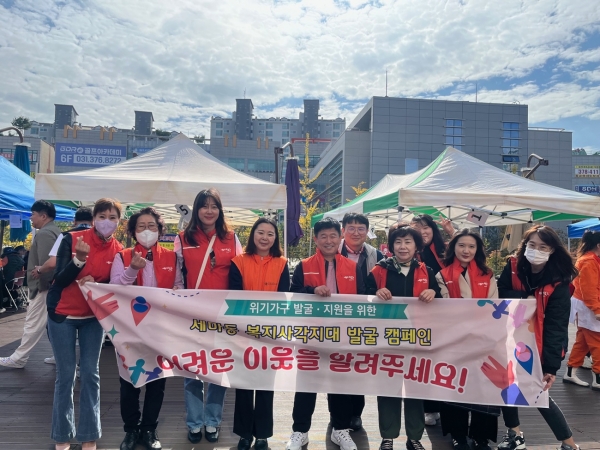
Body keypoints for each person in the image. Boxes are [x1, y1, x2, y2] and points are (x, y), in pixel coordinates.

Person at [47, 198, 124, 450]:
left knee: (91, 374)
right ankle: (62, 436)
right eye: (102, 216)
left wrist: (97, 285)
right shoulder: (70, 239)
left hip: (93, 318)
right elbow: (59, 279)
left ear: (119, 222)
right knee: (66, 375)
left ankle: (89, 435)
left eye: (112, 218)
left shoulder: (119, 250)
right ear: (93, 219)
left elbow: (116, 286)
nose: (107, 222)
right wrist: (79, 260)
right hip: (62, 315)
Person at [497, 225, 579, 450]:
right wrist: (526, 297)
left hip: (539, 345)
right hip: (509, 338)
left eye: (543, 247)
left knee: (539, 393)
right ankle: (514, 434)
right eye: (531, 245)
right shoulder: (513, 267)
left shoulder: (559, 282)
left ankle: (569, 443)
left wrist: (551, 367)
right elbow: (500, 292)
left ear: (552, 250)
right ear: (524, 246)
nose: (536, 250)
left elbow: (556, 327)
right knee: (508, 385)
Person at [286, 217, 365, 450]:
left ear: (340, 237)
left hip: (342, 336)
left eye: (333, 236)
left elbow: (363, 298)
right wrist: (312, 290)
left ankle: (340, 429)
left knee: (340, 384)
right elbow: (293, 295)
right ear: (315, 239)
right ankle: (300, 431)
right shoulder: (304, 265)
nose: (328, 241)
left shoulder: (353, 267)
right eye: (323, 236)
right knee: (306, 385)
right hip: (310, 335)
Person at [110, 207, 183, 450]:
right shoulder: (122, 256)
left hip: (160, 329)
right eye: (141, 226)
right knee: (129, 381)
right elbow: (114, 288)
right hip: (128, 328)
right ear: (133, 231)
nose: (147, 231)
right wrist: (133, 269)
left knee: (157, 381)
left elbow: (179, 286)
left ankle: (149, 429)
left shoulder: (172, 257)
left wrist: (178, 293)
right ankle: (131, 430)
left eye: (152, 226)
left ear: (160, 230)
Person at [174, 188, 243, 444]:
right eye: (204, 206)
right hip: (191, 314)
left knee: (218, 369)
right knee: (191, 369)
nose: (209, 211)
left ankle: (212, 421)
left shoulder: (232, 238)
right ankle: (194, 423)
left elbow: (240, 275)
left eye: (214, 206)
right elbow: (177, 278)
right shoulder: (182, 238)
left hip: (223, 316)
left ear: (220, 210)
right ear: (197, 209)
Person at [366, 223, 441, 450]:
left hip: (418, 341)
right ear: (391, 246)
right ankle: (387, 436)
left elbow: (441, 302)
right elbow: (362, 298)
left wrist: (433, 292)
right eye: (398, 242)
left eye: (408, 242)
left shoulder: (427, 271)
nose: (403, 246)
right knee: (387, 389)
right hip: (386, 341)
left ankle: (414, 437)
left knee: (415, 390)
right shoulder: (379, 271)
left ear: (417, 246)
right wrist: (375, 293)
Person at [229, 217, 290, 450]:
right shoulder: (238, 262)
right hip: (243, 334)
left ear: (275, 238)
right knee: (244, 386)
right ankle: (244, 435)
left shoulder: (282, 263)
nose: (265, 238)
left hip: (270, 334)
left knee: (266, 385)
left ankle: (263, 435)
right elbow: (234, 297)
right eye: (260, 232)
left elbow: (284, 299)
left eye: (270, 234)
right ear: (253, 234)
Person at [435, 229, 498, 450]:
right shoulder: (442, 275)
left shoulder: (487, 274)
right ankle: (458, 434)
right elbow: (444, 307)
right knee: (455, 385)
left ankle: (481, 436)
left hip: (483, 338)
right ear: (453, 247)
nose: (466, 250)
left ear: (477, 250)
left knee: (484, 387)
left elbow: (494, 305)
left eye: (471, 246)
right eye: (461, 245)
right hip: (455, 339)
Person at [0, 201, 61, 369]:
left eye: (33, 214)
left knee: (32, 323)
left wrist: (41, 286)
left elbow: (47, 264)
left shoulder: (45, 234)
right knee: (53, 325)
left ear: (43, 216)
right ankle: (61, 357)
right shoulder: (55, 231)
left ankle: (19, 358)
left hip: (44, 287)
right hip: (50, 286)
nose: (31, 217)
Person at [338, 212, 383, 430]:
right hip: (337, 319)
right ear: (343, 231)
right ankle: (337, 414)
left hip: (365, 321)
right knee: (337, 366)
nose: (356, 232)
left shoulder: (376, 255)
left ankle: (356, 413)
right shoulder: (332, 250)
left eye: (361, 228)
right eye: (351, 228)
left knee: (359, 366)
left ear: (367, 231)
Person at [34, 206, 94, 366]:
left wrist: (39, 270)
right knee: (90, 354)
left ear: (74, 221)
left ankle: (60, 357)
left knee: (63, 355)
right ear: (93, 221)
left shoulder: (66, 236)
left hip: (64, 300)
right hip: (91, 301)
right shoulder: (99, 239)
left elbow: (53, 262)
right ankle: (82, 366)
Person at [409, 213, 454, 425]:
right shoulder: (408, 251)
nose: (422, 232)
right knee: (424, 361)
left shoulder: (445, 249)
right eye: (417, 228)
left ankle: (447, 405)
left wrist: (452, 233)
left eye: (425, 227)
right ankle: (430, 407)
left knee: (445, 359)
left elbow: (469, 254)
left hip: (446, 313)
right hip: (419, 315)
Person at [563, 230, 600, 390]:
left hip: (586, 306)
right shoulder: (589, 262)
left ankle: (570, 372)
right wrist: (597, 310)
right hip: (588, 307)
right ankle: (598, 378)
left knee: (583, 341)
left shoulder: (589, 259)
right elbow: (589, 289)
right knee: (597, 342)